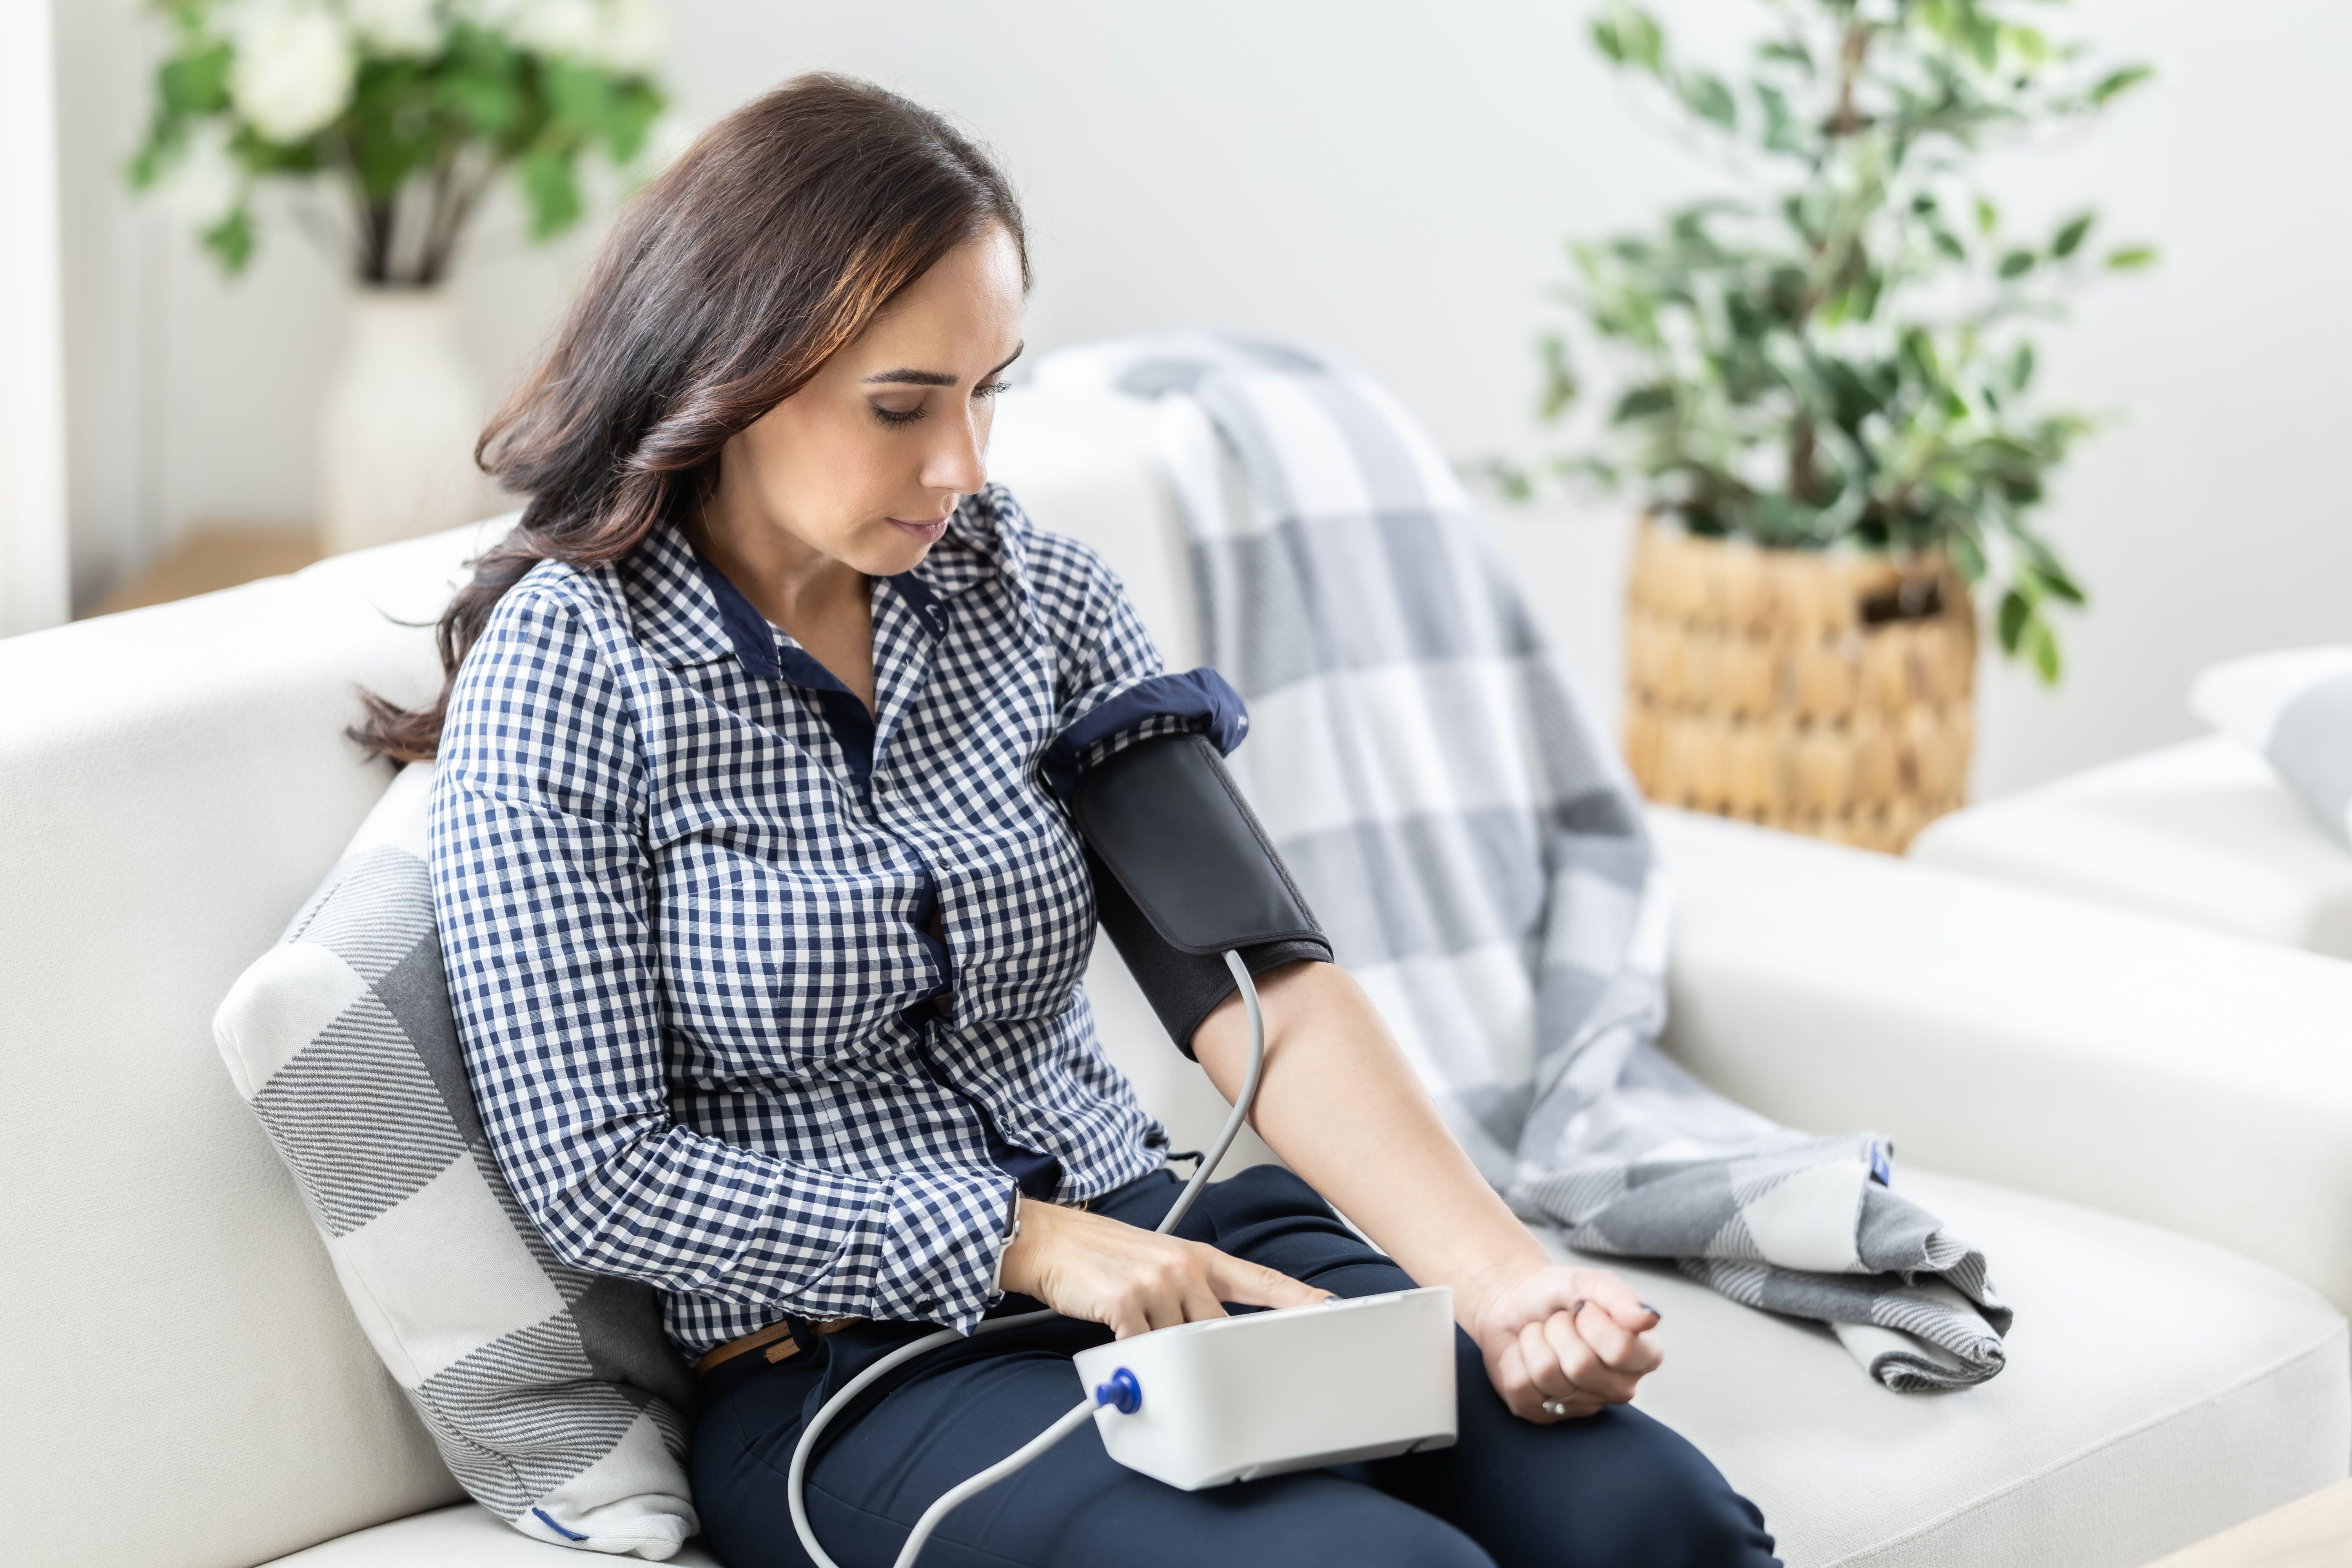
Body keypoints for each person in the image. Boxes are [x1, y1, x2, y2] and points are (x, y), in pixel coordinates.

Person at [358, 73, 1780, 1568]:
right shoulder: (573, 669)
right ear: (737, 371)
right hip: (857, 1367)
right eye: (905, 405)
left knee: (1654, 1522)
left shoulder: (1033, 595)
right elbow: (595, 1172)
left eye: (989, 393)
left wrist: (1500, 1281)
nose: (964, 465)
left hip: (1169, 1240)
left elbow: (1252, 982)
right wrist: (1024, 1246)